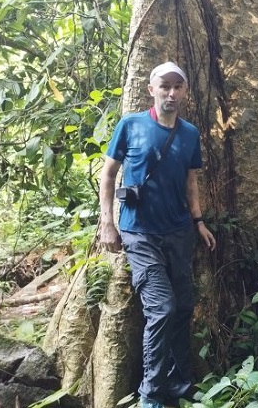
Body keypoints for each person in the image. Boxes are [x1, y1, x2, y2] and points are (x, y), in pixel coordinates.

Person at [98, 61, 216, 408]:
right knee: (161, 309)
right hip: (140, 234)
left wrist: (198, 221)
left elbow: (190, 181)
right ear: (152, 89)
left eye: (178, 87)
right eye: (165, 86)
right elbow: (108, 176)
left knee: (181, 308)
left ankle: (179, 382)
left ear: (185, 92)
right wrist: (107, 222)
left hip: (179, 231)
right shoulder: (131, 124)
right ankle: (151, 393)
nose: (171, 93)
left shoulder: (190, 133)